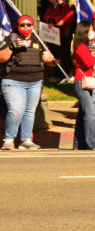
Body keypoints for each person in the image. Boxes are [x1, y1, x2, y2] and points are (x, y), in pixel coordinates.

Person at [0, 16, 55, 150]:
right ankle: (8, 139)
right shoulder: (11, 39)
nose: (25, 27)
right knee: (16, 110)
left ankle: (26, 140)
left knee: (30, 112)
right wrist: (12, 47)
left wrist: (49, 59)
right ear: (18, 27)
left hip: (35, 81)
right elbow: (2, 58)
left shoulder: (38, 40)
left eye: (28, 25)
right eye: (22, 25)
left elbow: (49, 59)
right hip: (13, 81)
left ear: (32, 26)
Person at [72, 21, 95, 150]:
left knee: (83, 114)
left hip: (85, 81)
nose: (93, 32)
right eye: (92, 29)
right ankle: (93, 142)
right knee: (90, 113)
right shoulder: (81, 46)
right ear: (85, 31)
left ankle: (79, 143)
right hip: (82, 82)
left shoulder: (86, 46)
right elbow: (88, 62)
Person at [41, 0, 74, 77]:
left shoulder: (64, 6)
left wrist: (53, 23)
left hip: (62, 36)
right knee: (55, 54)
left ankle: (67, 74)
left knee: (63, 55)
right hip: (52, 36)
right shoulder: (51, 7)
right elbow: (47, 17)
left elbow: (65, 19)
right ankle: (58, 74)